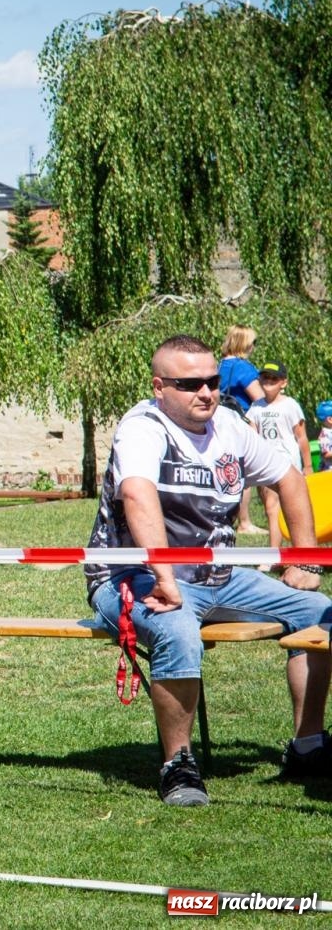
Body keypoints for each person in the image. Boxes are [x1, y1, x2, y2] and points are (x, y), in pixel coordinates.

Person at [85, 334, 332, 807]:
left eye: (214, 382)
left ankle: (308, 745)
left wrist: (304, 559)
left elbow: (290, 479)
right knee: (178, 629)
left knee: (319, 611)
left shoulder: (230, 426)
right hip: (134, 579)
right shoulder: (142, 428)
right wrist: (163, 577)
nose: (207, 392)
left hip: (218, 577)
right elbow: (138, 495)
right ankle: (178, 764)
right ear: (160, 387)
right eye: (190, 383)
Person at [247, 361, 311, 549]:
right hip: (266, 464)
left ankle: (298, 553)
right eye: (265, 377)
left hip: (288, 463)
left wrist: (307, 466)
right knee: (271, 508)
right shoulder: (256, 407)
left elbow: (302, 438)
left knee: (293, 510)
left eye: (273, 378)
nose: (268, 381)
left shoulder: (290, 406)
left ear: (283, 383)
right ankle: (273, 554)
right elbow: (252, 437)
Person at [218, 325, 267, 532]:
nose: (254, 347)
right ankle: (245, 522)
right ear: (245, 343)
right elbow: (260, 399)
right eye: (253, 342)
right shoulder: (243, 368)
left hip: (221, 421)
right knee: (243, 474)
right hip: (242, 422)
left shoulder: (219, 365)